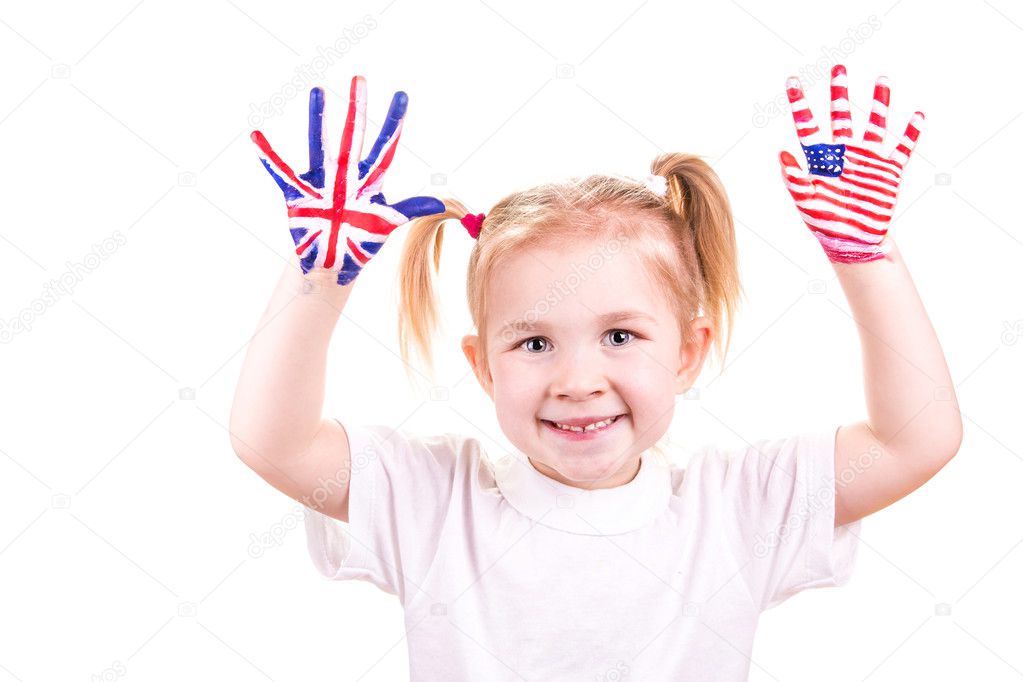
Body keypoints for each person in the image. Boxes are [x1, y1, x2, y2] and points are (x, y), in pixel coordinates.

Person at [230, 68, 962, 680]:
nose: (577, 379)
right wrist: (317, 277)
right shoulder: (432, 500)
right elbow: (275, 443)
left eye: (618, 335)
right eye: (533, 344)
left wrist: (867, 258)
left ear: (687, 351)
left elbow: (914, 441)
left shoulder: (736, 507)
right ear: (481, 367)